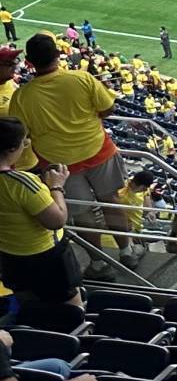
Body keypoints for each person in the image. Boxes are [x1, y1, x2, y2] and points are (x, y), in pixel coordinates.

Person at [10, 32, 130, 242]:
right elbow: (108, 108)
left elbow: (21, 132)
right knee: (110, 200)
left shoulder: (21, 96)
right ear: (58, 55)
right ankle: (127, 250)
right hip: (97, 149)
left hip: (57, 162)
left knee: (81, 212)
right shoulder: (82, 78)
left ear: (29, 62)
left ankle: (99, 262)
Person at [0, 116, 77, 319]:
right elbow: (56, 220)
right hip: (44, 256)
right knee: (73, 311)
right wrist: (56, 186)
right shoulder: (22, 183)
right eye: (24, 142)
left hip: (9, 256)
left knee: (29, 304)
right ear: (11, 149)